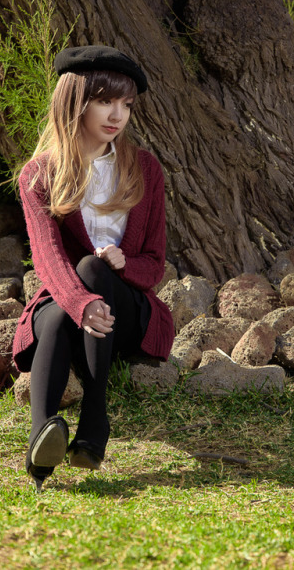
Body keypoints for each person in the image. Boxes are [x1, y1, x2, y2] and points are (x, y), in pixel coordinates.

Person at [12, 45, 175, 492]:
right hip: (67, 305)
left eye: (126, 104)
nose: (117, 114)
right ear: (75, 101)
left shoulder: (144, 169)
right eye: (106, 101)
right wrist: (81, 302)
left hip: (127, 314)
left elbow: (155, 265)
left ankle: (93, 413)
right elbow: (48, 260)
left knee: (95, 268)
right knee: (60, 311)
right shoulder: (39, 174)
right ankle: (47, 434)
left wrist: (124, 266)